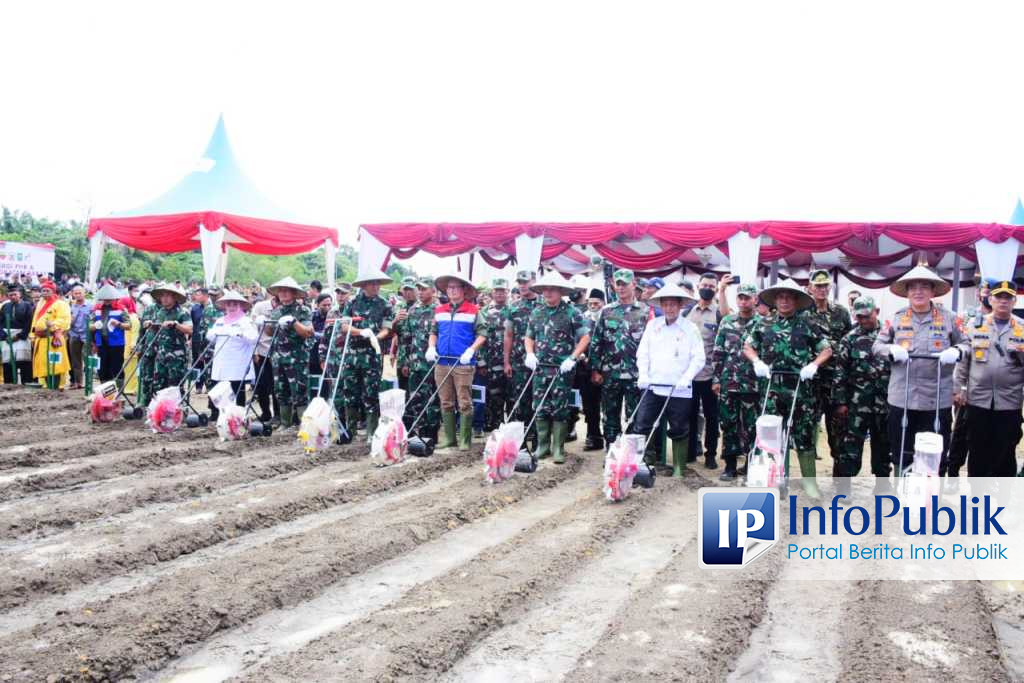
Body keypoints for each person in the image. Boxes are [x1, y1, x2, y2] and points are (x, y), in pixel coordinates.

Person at [744, 279, 832, 497]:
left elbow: (827, 349)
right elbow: (748, 346)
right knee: (771, 434)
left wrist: (813, 365)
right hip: (771, 389)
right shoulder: (763, 323)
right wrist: (756, 361)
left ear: (796, 300)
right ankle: (774, 478)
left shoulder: (808, 324)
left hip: (801, 390)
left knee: (804, 435)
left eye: (789, 297)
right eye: (780, 297)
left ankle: (810, 483)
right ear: (775, 300)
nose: (784, 301)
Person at [872, 265, 963, 475]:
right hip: (902, 398)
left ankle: (931, 501)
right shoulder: (896, 317)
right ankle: (903, 497)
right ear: (907, 293)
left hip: (936, 399)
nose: (918, 292)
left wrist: (957, 351)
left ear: (933, 292)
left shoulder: (949, 318)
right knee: (901, 452)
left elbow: (967, 344)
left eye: (924, 287)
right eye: (913, 288)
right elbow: (877, 346)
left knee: (935, 454)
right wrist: (891, 349)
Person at [633, 282, 706, 477]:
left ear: (680, 305)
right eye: (665, 304)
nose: (669, 308)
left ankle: (679, 467)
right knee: (643, 423)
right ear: (661, 306)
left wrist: (687, 377)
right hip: (653, 385)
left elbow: (699, 358)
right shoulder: (653, 325)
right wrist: (643, 374)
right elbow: (643, 353)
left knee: (679, 427)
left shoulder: (690, 328)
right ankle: (646, 464)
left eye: (673, 304)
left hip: (679, 387)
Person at [954, 280, 1024, 477]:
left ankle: (1002, 501)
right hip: (978, 400)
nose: (1003, 301)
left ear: (1014, 301)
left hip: (1009, 402)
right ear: (990, 299)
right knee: (977, 451)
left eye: (1007, 297)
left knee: (1006, 451)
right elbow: (964, 360)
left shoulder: (1022, 328)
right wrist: (959, 388)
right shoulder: (975, 325)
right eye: (999, 296)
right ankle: (977, 498)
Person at [524, 272, 590, 462]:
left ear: (560, 291)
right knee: (540, 407)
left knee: (560, 408)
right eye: (545, 289)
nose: (548, 292)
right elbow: (529, 336)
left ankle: (558, 449)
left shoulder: (572, 312)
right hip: (540, 368)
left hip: (561, 369)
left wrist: (572, 358)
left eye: (552, 289)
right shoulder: (537, 312)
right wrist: (529, 353)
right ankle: (542, 447)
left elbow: (585, 337)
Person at [833, 296, 892, 494]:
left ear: (876, 311)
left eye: (867, 315)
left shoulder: (891, 336)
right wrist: (840, 402)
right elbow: (840, 373)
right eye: (860, 317)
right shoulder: (849, 339)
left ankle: (882, 485)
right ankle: (845, 487)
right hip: (856, 403)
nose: (864, 320)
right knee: (850, 445)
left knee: (883, 444)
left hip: (885, 402)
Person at [589, 269, 650, 450]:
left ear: (634, 284)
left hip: (635, 375)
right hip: (610, 374)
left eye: (625, 283)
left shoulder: (645, 311)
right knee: (609, 415)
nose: (621, 287)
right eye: (618, 284)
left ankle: (630, 455)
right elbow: (596, 342)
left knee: (634, 416)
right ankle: (612, 452)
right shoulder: (607, 311)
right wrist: (595, 369)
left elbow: (651, 345)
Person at [427, 273, 486, 450]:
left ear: (463, 290)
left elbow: (482, 334)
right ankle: (450, 438)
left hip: (463, 362)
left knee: (464, 400)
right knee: (445, 400)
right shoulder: (439, 310)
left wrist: (471, 350)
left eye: (455, 287)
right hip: (442, 361)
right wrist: (431, 347)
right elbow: (433, 332)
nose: (451, 291)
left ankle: (465, 440)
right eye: (449, 288)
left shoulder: (473, 310)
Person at [712, 282, 762, 481]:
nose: (743, 301)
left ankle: (750, 466)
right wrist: (716, 379)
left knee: (752, 426)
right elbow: (718, 352)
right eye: (740, 297)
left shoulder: (763, 323)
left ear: (755, 300)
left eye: (747, 297)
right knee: (729, 425)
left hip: (753, 385)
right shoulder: (727, 322)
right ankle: (730, 466)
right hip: (728, 383)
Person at [685, 272, 732, 469]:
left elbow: (728, 318)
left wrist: (722, 291)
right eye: (705, 285)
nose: (708, 289)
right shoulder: (688, 311)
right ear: (698, 286)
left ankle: (710, 454)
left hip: (710, 375)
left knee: (712, 418)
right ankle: (689, 452)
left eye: (712, 287)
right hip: (689, 375)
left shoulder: (719, 311)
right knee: (690, 415)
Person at [339, 269, 394, 440]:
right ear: (363, 285)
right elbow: (344, 326)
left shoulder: (385, 305)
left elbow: (387, 328)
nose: (376, 286)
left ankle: (371, 432)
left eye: (377, 283)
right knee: (350, 392)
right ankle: (351, 430)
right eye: (372, 283)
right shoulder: (353, 303)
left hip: (372, 355)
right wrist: (361, 332)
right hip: (352, 354)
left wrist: (375, 337)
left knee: (371, 393)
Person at [804, 269, 852, 463]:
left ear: (830, 287)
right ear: (810, 288)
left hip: (835, 381)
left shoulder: (841, 312)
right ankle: (809, 480)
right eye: (818, 286)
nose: (822, 289)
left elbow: (848, 341)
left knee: (838, 430)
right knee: (808, 425)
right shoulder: (803, 313)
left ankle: (839, 478)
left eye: (825, 286)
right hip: (812, 379)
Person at [264, 277, 314, 431]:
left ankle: (304, 425)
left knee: (299, 391)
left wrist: (293, 322)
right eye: (281, 290)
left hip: (297, 357)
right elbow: (270, 333)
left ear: (294, 293)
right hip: (278, 357)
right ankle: (285, 423)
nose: (283, 293)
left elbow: (308, 332)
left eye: (287, 290)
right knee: (281, 390)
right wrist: (265, 324)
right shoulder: (276, 311)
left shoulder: (303, 310)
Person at [205, 290, 259, 422]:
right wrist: (213, 333)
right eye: (229, 304)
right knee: (219, 388)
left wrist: (240, 333)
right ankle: (219, 414)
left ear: (240, 305)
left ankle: (238, 417)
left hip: (237, 363)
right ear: (225, 306)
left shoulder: (245, 321)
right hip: (221, 361)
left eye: (235, 304)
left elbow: (254, 338)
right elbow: (210, 336)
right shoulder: (220, 320)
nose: (231, 307)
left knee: (236, 389)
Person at [397, 278, 439, 442]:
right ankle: (418, 432)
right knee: (415, 398)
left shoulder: (439, 310)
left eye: (424, 289)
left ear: (433, 291)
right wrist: (405, 361)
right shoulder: (413, 310)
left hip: (433, 363)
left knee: (433, 399)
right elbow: (406, 337)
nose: (420, 292)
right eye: (419, 289)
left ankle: (432, 433)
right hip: (415, 363)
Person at [504, 270, 541, 441]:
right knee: (522, 398)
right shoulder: (514, 308)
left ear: (534, 281)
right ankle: (526, 433)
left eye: (525, 281)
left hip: (543, 361)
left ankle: (542, 436)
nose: (522, 285)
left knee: (541, 398)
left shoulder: (544, 304)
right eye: (520, 282)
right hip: (520, 361)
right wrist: (506, 361)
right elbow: (509, 335)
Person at [142, 283, 193, 394]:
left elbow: (190, 329)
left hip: (176, 357)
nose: (164, 299)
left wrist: (176, 325)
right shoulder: (160, 312)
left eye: (167, 296)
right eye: (162, 296)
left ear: (174, 297)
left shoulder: (182, 312)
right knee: (158, 386)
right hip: (160, 355)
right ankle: (160, 410)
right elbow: (160, 328)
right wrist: (152, 325)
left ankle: (176, 410)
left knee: (175, 387)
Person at [481, 277, 511, 432]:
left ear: (508, 292)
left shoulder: (513, 310)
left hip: (511, 361)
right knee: (493, 396)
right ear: (492, 292)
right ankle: (494, 425)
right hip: (491, 362)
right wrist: (481, 362)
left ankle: (511, 427)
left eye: (503, 291)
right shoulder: (484, 311)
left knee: (511, 395)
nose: (500, 294)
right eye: (497, 291)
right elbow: (479, 337)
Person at [30, 279, 71, 389]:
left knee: (55, 363)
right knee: (43, 363)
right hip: (41, 339)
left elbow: (64, 320)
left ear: (53, 292)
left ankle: (57, 386)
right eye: (43, 290)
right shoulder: (39, 304)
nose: (45, 293)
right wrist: (32, 334)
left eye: (47, 290)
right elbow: (35, 320)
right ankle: (45, 385)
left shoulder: (61, 304)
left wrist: (51, 326)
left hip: (53, 338)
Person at [580, 287, 606, 450]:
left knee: (610, 407)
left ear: (603, 303)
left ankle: (613, 438)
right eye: (590, 303)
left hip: (606, 369)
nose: (593, 306)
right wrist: (582, 356)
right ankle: (593, 436)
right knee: (589, 405)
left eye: (596, 303)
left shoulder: (609, 317)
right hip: (585, 368)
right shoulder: (582, 318)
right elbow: (577, 339)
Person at [90, 283, 130, 384]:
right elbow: (89, 325)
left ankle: (119, 390)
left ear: (114, 298)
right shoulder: (97, 309)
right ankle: (105, 390)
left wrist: (119, 324)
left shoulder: (121, 309)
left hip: (116, 343)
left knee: (116, 367)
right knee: (102, 367)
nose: (107, 301)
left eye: (109, 299)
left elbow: (129, 325)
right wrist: (94, 326)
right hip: (101, 342)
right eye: (105, 299)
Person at [250, 294, 278, 425]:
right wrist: (254, 351)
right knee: (261, 385)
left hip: (279, 351)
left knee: (277, 386)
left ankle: (278, 415)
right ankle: (265, 413)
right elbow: (253, 329)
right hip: (261, 350)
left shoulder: (286, 308)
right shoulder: (260, 307)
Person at [389, 277, 420, 393]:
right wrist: (395, 320)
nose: (407, 293)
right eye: (405, 290)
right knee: (402, 392)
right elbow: (390, 333)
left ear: (417, 290)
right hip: (402, 357)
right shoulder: (397, 308)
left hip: (418, 359)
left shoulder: (422, 308)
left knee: (418, 394)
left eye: (410, 290)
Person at [0, 287, 33, 384]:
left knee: (24, 361)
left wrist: (19, 336)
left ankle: (26, 383)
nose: (13, 297)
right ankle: (9, 384)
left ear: (20, 294)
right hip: (7, 336)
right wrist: (4, 336)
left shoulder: (27, 306)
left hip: (21, 336)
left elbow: (29, 323)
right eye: (10, 295)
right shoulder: (5, 306)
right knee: (8, 362)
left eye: (15, 294)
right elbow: (0, 323)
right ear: (8, 296)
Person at [190, 287, 218, 393]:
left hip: (210, 342)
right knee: (197, 362)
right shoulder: (195, 308)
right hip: (197, 339)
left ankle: (209, 385)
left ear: (206, 295)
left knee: (209, 363)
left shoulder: (214, 308)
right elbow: (193, 324)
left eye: (199, 294)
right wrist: (191, 339)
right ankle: (198, 385)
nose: (196, 296)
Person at [68, 285, 91, 389]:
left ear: (84, 293)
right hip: (74, 334)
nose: (77, 295)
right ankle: (78, 382)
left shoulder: (90, 306)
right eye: (75, 293)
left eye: (79, 293)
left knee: (88, 359)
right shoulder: (70, 306)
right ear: (72, 294)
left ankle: (89, 382)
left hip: (86, 335)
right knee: (75, 359)